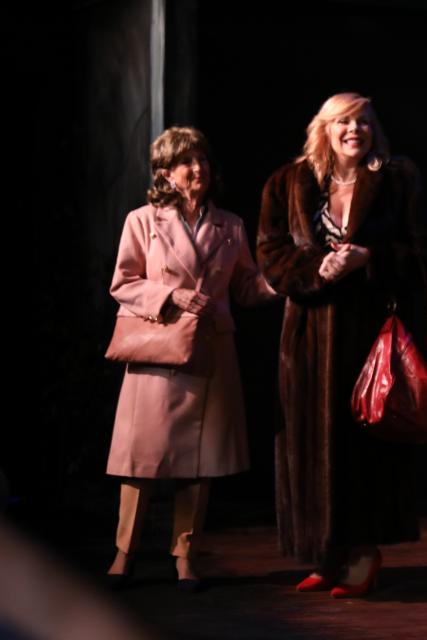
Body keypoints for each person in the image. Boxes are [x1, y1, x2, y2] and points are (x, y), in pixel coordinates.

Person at [257, 93, 421, 597]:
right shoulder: (288, 181)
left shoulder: (395, 179)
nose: (355, 130)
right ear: (325, 129)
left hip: (368, 336)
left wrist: (367, 259)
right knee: (309, 443)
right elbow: (269, 252)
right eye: (344, 122)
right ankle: (325, 553)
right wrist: (316, 270)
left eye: (364, 121)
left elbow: (421, 249)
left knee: (364, 446)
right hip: (306, 338)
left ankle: (364, 554)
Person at [106, 126, 277, 590]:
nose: (197, 169)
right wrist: (173, 296)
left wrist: (284, 277)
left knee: (198, 465)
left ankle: (185, 555)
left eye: (201, 159)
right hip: (157, 351)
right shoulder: (142, 221)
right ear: (165, 173)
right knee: (140, 462)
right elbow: (122, 283)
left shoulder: (231, 226)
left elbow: (246, 287)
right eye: (186, 162)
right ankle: (125, 552)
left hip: (211, 352)